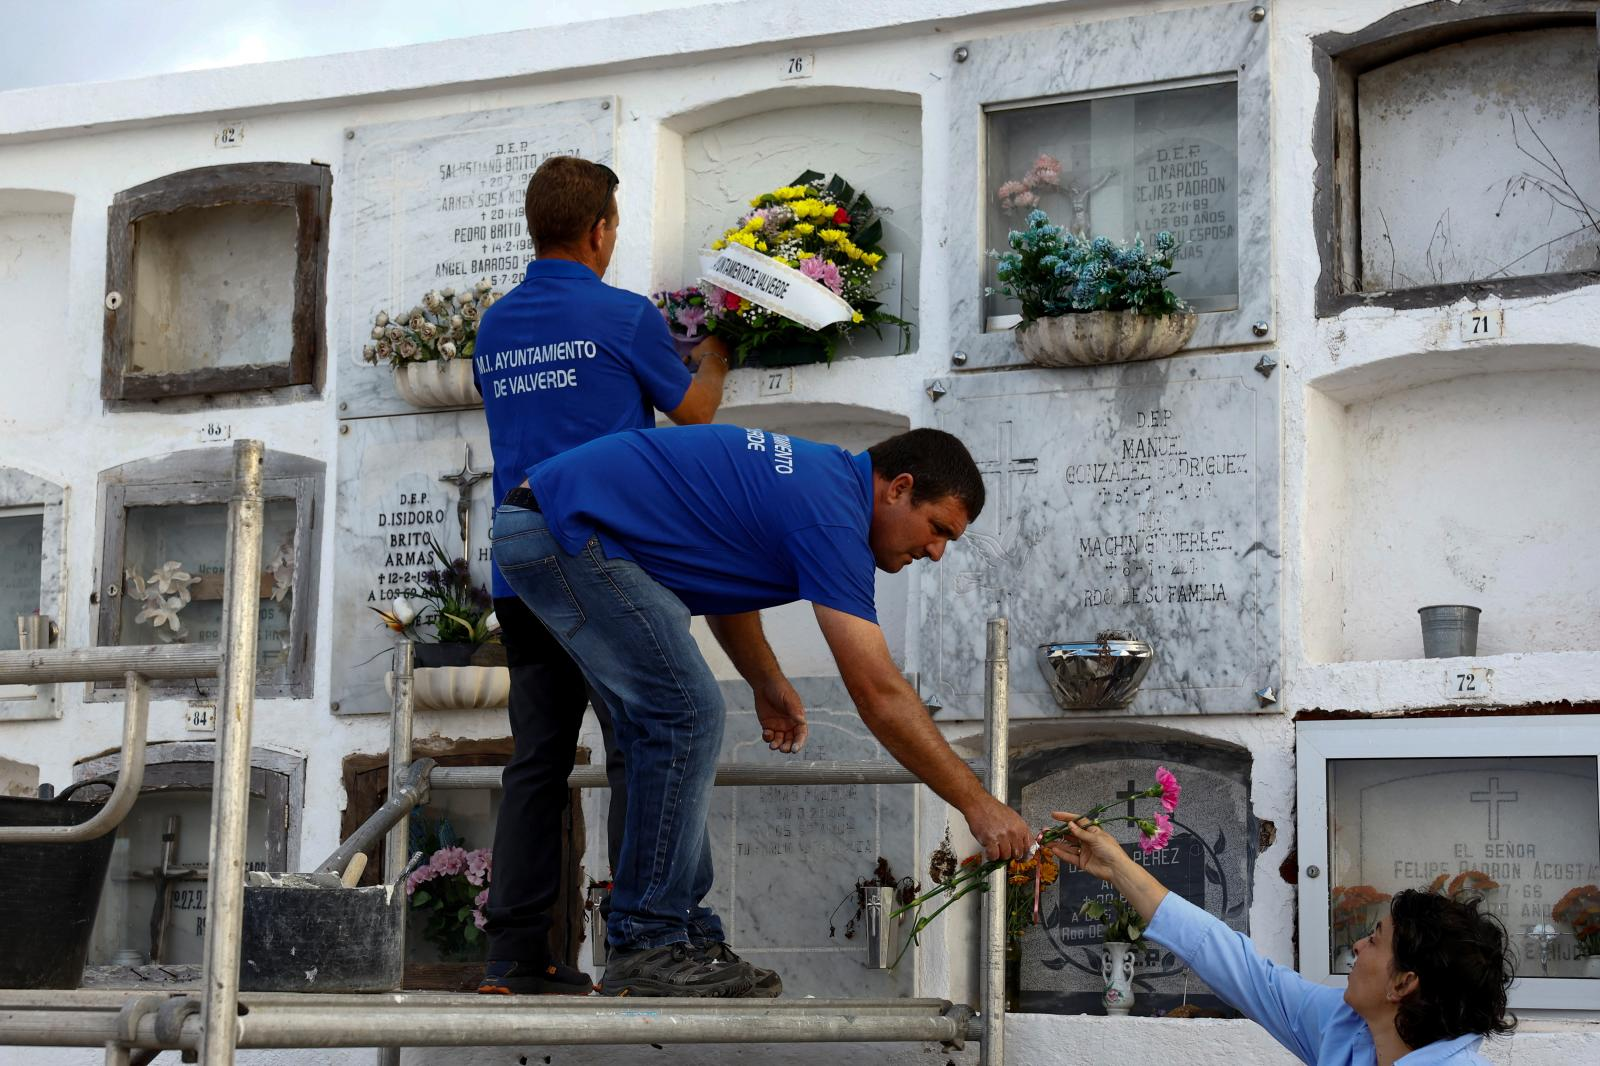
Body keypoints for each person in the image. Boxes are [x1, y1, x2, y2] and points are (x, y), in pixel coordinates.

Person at [491, 423, 1035, 998]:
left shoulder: (821, 482)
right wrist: (976, 804)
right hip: (561, 527)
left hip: (555, 521)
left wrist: (765, 678)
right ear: (898, 488)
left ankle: (682, 935)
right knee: (686, 712)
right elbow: (878, 692)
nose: (936, 552)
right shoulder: (832, 516)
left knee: (664, 721)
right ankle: (650, 940)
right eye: (938, 529)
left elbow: (725, 571)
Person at [472, 155, 731, 996]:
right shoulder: (623, 318)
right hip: (609, 568)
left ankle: (515, 956)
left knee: (537, 762)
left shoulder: (494, 327)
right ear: (600, 230)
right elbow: (691, 416)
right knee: (643, 747)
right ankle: (642, 941)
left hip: (520, 576)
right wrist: (720, 352)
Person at [1047, 813, 1517, 1065]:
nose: (1357, 947)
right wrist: (1117, 867)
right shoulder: (1347, 1029)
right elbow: (1243, 969)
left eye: (1375, 940)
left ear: (1403, 983)